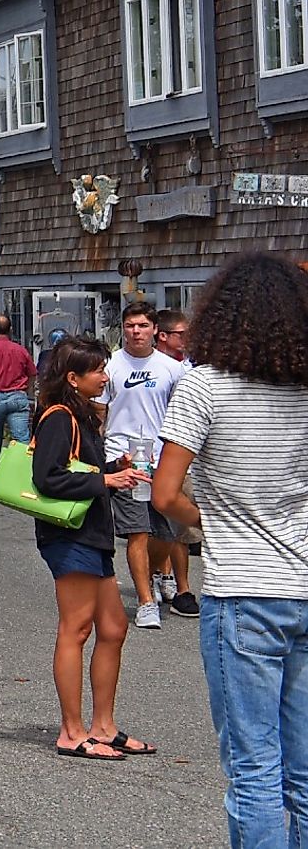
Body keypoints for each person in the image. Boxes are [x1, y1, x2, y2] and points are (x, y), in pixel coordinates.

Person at [153, 253, 308, 848]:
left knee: (253, 767)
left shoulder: (202, 385)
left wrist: (213, 521)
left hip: (243, 587)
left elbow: (166, 493)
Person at [30, 335, 150, 760]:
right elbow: (47, 478)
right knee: (76, 629)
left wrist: (115, 468)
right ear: (73, 377)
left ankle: (103, 725)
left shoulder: (83, 415)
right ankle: (71, 730)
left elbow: (81, 467)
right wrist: (105, 480)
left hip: (92, 534)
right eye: (97, 369)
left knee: (114, 627)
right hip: (70, 536)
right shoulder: (59, 416)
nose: (105, 375)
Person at [102, 301, 189, 630]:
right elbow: (99, 413)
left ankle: (154, 574)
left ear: (155, 330)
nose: (135, 331)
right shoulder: (111, 366)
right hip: (124, 456)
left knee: (165, 532)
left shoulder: (172, 368)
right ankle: (145, 601)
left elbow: (183, 415)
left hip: (162, 459)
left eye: (142, 326)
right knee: (137, 532)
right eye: (130, 325)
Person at [149, 308, 202, 618]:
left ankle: (181, 586)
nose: (187, 339)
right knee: (157, 526)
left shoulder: (193, 369)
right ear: (164, 335)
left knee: (180, 529)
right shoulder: (152, 368)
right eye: (182, 334)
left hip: (187, 457)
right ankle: (160, 573)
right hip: (152, 453)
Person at [0, 314, 38, 480]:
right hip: (18, 396)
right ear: (10, 330)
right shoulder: (21, 350)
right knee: (21, 438)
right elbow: (32, 374)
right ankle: (22, 472)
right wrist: (27, 391)